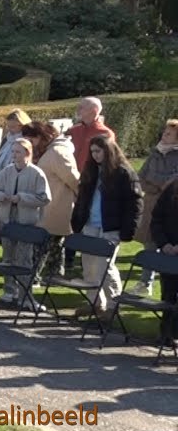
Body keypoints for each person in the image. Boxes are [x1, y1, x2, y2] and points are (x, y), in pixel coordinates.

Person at [70, 135, 141, 321]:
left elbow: (134, 203)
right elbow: (82, 198)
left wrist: (128, 229)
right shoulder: (91, 171)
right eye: (92, 151)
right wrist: (77, 220)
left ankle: (113, 304)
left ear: (108, 151)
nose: (95, 155)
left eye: (98, 151)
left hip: (111, 227)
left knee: (105, 267)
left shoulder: (123, 173)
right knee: (89, 267)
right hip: (90, 224)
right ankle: (95, 303)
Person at [0, 139, 50, 308]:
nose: (14, 155)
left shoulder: (37, 173)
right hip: (7, 219)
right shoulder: (7, 171)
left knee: (24, 259)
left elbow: (44, 198)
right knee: (8, 256)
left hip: (26, 222)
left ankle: (26, 295)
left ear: (27, 153)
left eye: (18, 152)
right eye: (13, 152)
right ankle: (9, 290)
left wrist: (22, 198)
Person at [22, 121, 79, 280]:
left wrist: (81, 200)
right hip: (48, 206)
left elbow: (74, 180)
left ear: (40, 137)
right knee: (51, 245)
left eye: (32, 140)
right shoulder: (49, 151)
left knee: (44, 245)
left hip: (56, 205)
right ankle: (52, 276)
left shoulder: (57, 153)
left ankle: (35, 278)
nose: (31, 145)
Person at [131, 119, 178, 296]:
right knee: (149, 244)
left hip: (170, 208)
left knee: (166, 244)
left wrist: (158, 183)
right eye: (164, 132)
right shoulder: (155, 152)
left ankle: (161, 285)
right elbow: (141, 177)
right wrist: (157, 186)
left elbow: (172, 182)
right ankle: (145, 283)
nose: (164, 136)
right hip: (151, 204)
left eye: (168, 134)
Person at [149, 179, 178, 349]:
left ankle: (174, 334)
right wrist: (164, 244)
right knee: (168, 295)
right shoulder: (171, 190)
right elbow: (156, 220)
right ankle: (165, 334)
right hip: (168, 253)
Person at [67, 96, 115, 173]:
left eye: (81, 107)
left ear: (94, 111)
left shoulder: (105, 133)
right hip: (71, 176)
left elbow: (108, 160)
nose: (78, 110)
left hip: (92, 178)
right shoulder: (73, 130)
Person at [0, 109, 32, 184]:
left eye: (13, 127)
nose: (9, 129)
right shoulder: (7, 139)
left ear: (22, 125)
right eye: (8, 126)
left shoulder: (27, 141)